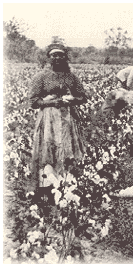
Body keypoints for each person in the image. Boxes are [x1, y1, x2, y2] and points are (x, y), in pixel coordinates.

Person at [29, 43, 88, 193]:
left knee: (67, 147)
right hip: (48, 119)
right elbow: (34, 102)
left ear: (65, 57)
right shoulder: (41, 77)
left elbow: (83, 97)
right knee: (49, 148)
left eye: (60, 55)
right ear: (49, 57)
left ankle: (66, 183)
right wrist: (53, 102)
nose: (57, 58)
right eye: (54, 55)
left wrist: (71, 99)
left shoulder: (71, 77)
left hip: (67, 118)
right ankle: (47, 185)